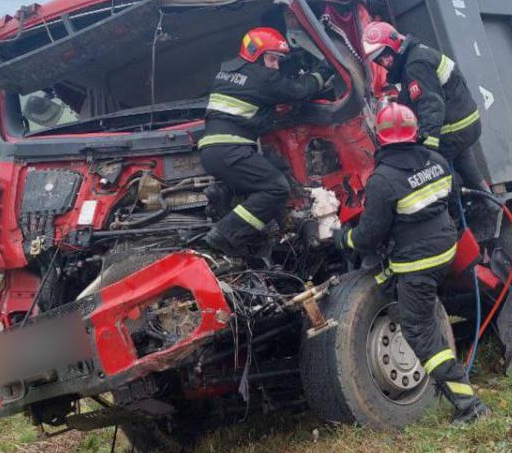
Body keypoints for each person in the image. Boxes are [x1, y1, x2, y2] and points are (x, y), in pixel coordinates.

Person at [335, 102, 491, 425]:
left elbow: (368, 237)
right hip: (446, 249)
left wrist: (342, 238)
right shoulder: (436, 161)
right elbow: (448, 198)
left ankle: (469, 405)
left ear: (379, 138)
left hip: (418, 263)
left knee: (419, 330)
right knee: (399, 282)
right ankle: (398, 292)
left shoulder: (383, 180)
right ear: (414, 131)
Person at [198, 26, 331, 255]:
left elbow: (253, 104)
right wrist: (322, 73)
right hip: (230, 149)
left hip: (215, 150)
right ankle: (225, 235)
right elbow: (299, 90)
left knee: (274, 173)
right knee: (275, 187)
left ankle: (281, 230)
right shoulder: (262, 78)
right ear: (255, 55)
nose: (275, 66)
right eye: (272, 59)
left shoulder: (226, 72)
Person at [361, 21, 486, 192]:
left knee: (427, 176)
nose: (385, 61)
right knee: (468, 170)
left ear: (395, 44)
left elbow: (431, 105)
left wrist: (428, 150)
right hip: (464, 124)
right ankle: (489, 204)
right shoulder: (417, 54)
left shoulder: (414, 65)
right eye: (379, 60)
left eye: (386, 54)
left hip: (453, 129)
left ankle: (454, 202)